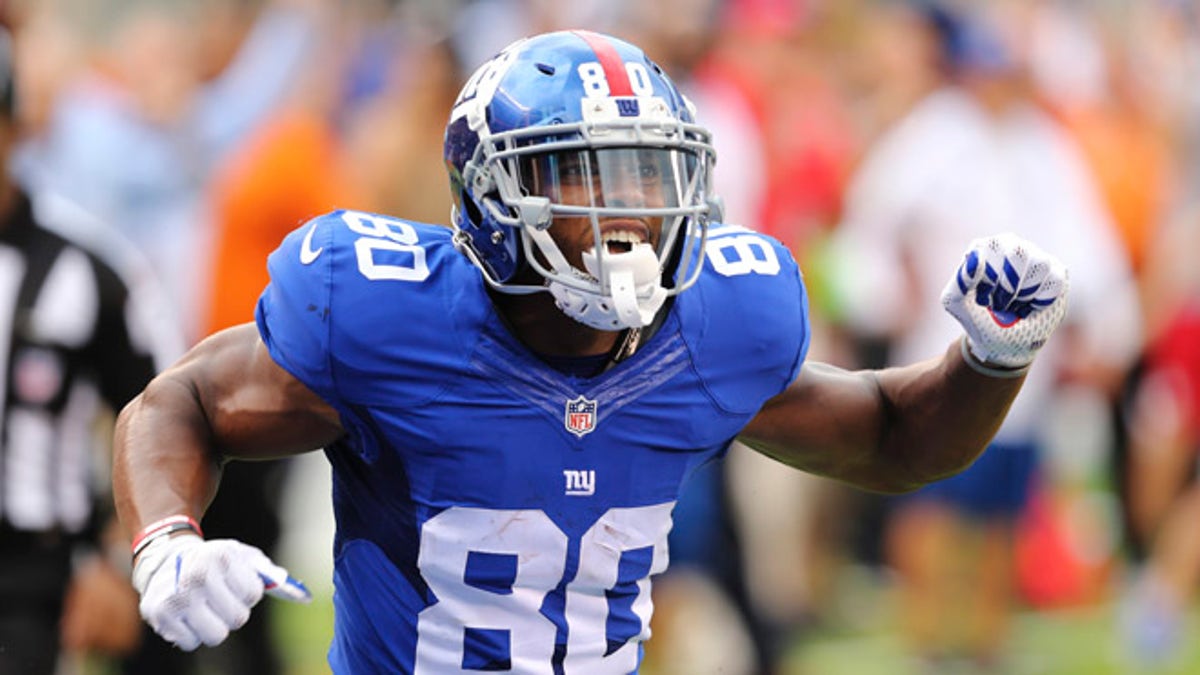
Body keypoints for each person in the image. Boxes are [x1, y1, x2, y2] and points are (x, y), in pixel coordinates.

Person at [112, 30, 1070, 673]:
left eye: (650, 177)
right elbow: (181, 401)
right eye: (580, 179)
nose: (629, 216)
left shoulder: (719, 323)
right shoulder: (385, 318)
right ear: (491, 197)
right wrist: (165, 537)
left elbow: (891, 437)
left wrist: (987, 363)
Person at [0, 24, 180, 675]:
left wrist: (116, 559)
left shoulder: (88, 268)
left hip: (33, 580)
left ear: (15, 129)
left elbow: (173, 417)